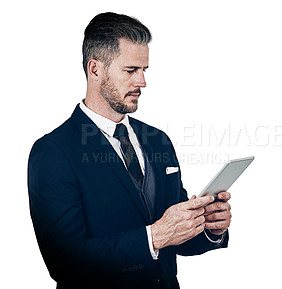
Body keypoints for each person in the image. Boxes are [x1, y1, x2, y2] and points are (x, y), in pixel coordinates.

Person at [28, 12, 232, 289]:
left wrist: (210, 228)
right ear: (95, 69)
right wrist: (154, 237)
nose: (142, 82)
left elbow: (173, 240)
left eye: (144, 70)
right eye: (131, 70)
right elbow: (64, 262)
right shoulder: (53, 152)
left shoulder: (158, 140)